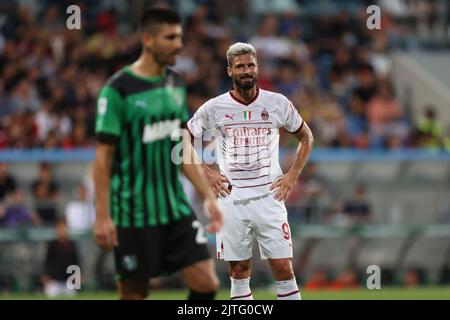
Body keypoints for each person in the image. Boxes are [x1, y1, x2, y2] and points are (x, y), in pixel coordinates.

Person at [93, 7, 223, 300]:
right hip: (133, 213)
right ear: (148, 40)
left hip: (174, 208)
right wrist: (102, 215)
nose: (179, 44)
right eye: (170, 37)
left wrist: (208, 198)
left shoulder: (175, 84)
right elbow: (103, 158)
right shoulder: (118, 90)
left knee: (206, 283)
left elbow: (181, 148)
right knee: (135, 293)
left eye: (180, 36)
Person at [187, 42, 314, 300]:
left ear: (257, 68)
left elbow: (306, 136)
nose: (246, 70)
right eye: (240, 66)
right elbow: (180, 142)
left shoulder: (277, 103)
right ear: (229, 71)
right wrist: (207, 173)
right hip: (231, 199)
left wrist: (292, 175)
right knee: (239, 270)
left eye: (251, 65)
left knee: (283, 268)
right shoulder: (214, 108)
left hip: (269, 197)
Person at [42, 219, 80, 297]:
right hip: (55, 281)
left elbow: (76, 262)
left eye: (63, 228)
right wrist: (46, 276)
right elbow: (47, 261)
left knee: (71, 294)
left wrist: (77, 277)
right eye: (60, 228)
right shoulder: (52, 245)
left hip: (68, 281)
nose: (62, 231)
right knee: (51, 292)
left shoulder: (71, 245)